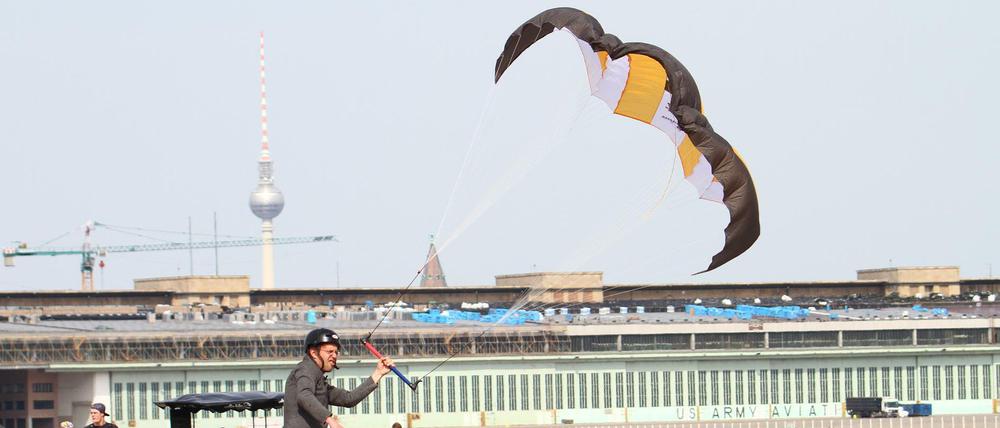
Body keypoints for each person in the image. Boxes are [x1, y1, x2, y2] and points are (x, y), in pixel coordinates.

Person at [284, 328, 394, 428]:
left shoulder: (319, 380)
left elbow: (348, 399)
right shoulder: (305, 369)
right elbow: (304, 396)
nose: (335, 356)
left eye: (336, 352)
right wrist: (330, 420)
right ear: (313, 353)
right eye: (329, 352)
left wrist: (378, 373)